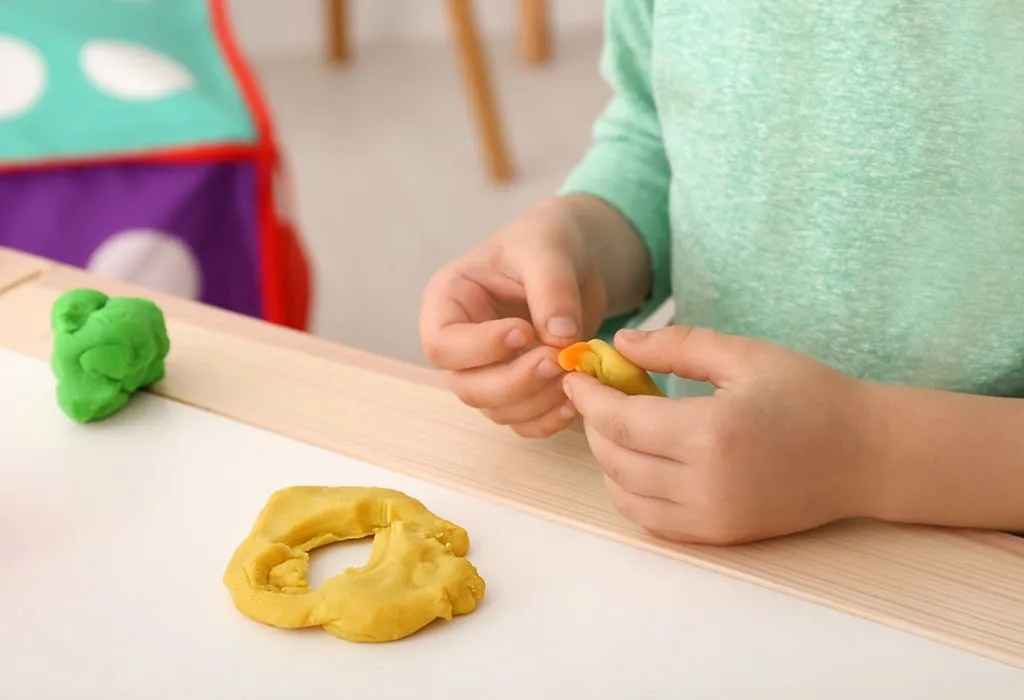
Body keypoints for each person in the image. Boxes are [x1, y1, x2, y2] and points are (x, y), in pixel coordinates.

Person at [418, 0, 1024, 545]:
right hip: (688, 512)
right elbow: (655, 130)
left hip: (980, 572)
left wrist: (865, 452)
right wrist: (583, 240)